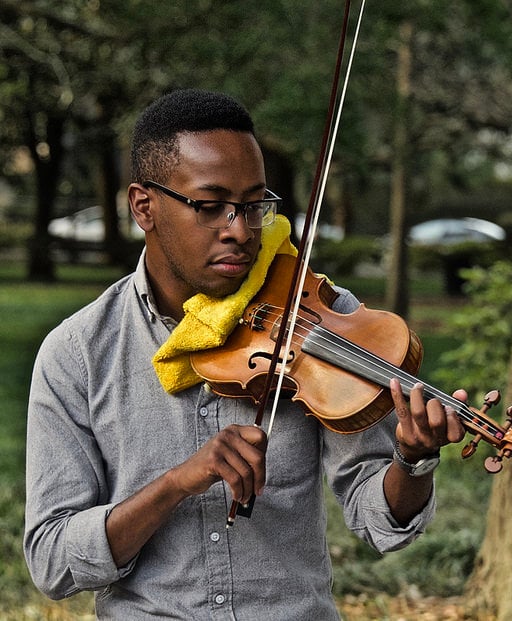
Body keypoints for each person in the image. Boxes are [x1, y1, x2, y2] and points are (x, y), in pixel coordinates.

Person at [24, 89, 466, 620]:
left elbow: (378, 520)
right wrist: (177, 483)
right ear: (144, 206)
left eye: (254, 205)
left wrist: (412, 461)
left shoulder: (323, 314)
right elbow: (51, 560)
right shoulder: (78, 352)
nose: (239, 230)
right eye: (210, 207)